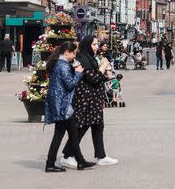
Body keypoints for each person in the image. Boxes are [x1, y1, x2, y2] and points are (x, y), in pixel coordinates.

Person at [61, 35, 119, 167]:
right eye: (94, 44)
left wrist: (108, 76)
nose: (96, 47)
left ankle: (101, 155)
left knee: (98, 125)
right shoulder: (81, 59)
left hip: (94, 98)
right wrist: (103, 66)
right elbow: (93, 78)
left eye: (97, 44)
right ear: (87, 45)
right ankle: (67, 155)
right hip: (85, 100)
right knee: (82, 126)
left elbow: (98, 77)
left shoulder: (90, 59)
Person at [44, 41, 95, 172]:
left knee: (72, 134)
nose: (74, 56)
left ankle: (79, 161)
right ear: (66, 53)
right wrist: (78, 72)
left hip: (61, 104)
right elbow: (70, 84)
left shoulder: (60, 63)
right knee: (62, 135)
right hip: (63, 105)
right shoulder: (63, 66)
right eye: (73, 53)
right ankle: (51, 163)